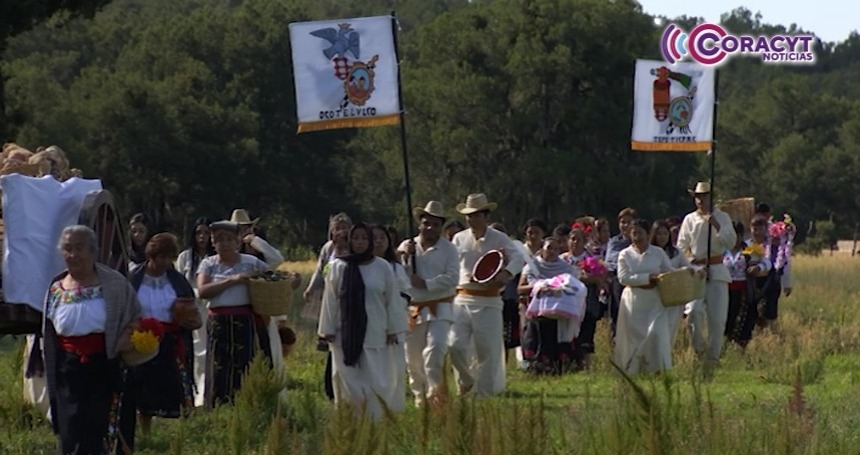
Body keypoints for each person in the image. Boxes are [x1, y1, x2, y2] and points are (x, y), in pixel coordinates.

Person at [43, 225, 141, 455]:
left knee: (98, 433)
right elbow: (49, 333)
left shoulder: (114, 284)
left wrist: (124, 338)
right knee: (71, 432)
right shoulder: (56, 289)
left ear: (93, 251)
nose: (73, 255)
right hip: (68, 371)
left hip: (104, 368)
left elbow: (135, 317)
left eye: (79, 248)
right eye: (67, 249)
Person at [318, 223, 405, 420]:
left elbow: (392, 299)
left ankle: (376, 417)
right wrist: (327, 330)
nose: (359, 242)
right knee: (348, 378)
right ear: (349, 240)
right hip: (344, 333)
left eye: (364, 238)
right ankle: (352, 418)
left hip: (376, 330)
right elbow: (330, 299)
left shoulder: (382, 267)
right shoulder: (339, 267)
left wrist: (393, 329)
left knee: (376, 377)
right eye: (355, 238)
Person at [124, 233, 198, 447]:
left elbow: (190, 306)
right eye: (160, 257)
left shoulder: (176, 280)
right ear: (151, 256)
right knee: (143, 386)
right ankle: (145, 431)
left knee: (176, 385)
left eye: (168, 257)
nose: (164, 262)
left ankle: (184, 435)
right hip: (142, 339)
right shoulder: (134, 278)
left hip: (171, 339)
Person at [449, 193, 524, 398]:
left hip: (489, 299)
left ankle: (485, 394)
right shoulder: (459, 238)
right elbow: (451, 264)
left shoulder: (499, 238)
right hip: (462, 297)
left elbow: (518, 257)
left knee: (487, 351)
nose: (472, 219)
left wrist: (506, 273)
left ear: (485, 216)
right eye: (469, 215)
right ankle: (466, 381)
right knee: (454, 344)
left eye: (476, 215)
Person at [196, 221, 271, 408]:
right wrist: (232, 280)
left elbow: (272, 272)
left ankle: (245, 404)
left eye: (229, 239)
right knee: (218, 365)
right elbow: (203, 290)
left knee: (244, 362)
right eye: (220, 240)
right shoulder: (208, 264)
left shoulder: (250, 262)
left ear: (238, 241)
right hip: (219, 320)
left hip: (243, 319)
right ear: (213, 243)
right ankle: (218, 406)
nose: (225, 244)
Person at [399, 201, 458, 406]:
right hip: (414, 308)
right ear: (419, 224)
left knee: (436, 348)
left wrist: (427, 284)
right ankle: (420, 398)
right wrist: (405, 256)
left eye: (435, 224)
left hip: (439, 307)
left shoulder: (449, 249)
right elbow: (397, 273)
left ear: (441, 226)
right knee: (413, 358)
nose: (430, 228)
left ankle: (437, 396)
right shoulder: (407, 246)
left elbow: (452, 278)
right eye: (426, 223)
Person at [677, 182, 737, 369]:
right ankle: (699, 349)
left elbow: (731, 242)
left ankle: (713, 358)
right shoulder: (689, 219)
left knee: (717, 319)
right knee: (693, 312)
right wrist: (691, 264)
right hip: (697, 270)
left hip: (717, 269)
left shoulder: (723, 217)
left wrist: (717, 226)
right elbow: (682, 246)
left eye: (704, 196)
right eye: (697, 196)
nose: (700, 200)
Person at [614, 219, 677, 375]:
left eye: (640, 233)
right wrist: (648, 278)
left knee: (656, 334)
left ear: (648, 234)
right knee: (635, 338)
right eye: (634, 233)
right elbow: (624, 278)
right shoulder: (625, 254)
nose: (637, 237)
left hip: (654, 301)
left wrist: (686, 272)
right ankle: (635, 370)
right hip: (633, 302)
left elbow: (668, 272)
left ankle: (657, 369)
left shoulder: (658, 253)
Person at [520, 237, 579, 374]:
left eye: (555, 249)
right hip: (537, 312)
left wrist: (559, 288)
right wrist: (539, 286)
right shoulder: (532, 266)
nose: (552, 251)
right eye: (549, 248)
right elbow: (520, 289)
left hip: (559, 312)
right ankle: (537, 366)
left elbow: (573, 287)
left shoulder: (566, 268)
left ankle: (558, 367)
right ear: (542, 249)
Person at [175, 217, 214, 407]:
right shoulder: (185, 257)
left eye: (206, 233)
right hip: (189, 308)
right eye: (199, 233)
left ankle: (204, 392)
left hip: (209, 307)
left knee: (205, 351)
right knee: (191, 350)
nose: (202, 237)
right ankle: (191, 391)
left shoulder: (215, 258)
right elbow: (178, 282)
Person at [370, 224, 409, 413]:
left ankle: (393, 409)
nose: (378, 242)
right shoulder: (359, 267)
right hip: (369, 327)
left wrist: (392, 322)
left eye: (382, 238)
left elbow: (405, 295)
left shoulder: (395, 268)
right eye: (374, 238)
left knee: (394, 368)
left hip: (391, 326)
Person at [561, 228, 606, 370]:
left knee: (586, 332)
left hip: (587, 301)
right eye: (572, 239)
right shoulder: (562, 259)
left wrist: (587, 278)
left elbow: (600, 280)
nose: (575, 242)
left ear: (584, 242)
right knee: (568, 333)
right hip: (566, 301)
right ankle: (567, 363)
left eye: (578, 239)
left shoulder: (591, 259)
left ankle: (585, 365)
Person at [723, 220, 771, 346]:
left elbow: (767, 263)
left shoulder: (750, 249)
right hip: (724, 291)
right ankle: (726, 342)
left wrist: (758, 268)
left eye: (737, 235)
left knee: (743, 318)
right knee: (726, 318)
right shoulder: (721, 251)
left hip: (744, 291)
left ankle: (740, 344)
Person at [650, 220, 692, 348]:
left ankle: (665, 361)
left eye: (665, 234)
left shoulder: (676, 252)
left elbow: (687, 267)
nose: (662, 237)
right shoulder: (650, 252)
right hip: (655, 296)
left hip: (673, 298)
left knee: (670, 329)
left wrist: (695, 271)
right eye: (659, 234)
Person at [605, 208, 637, 337]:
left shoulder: (639, 241)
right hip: (618, 278)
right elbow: (609, 261)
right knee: (617, 311)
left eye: (629, 222)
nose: (625, 225)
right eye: (623, 222)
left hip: (636, 278)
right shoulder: (613, 242)